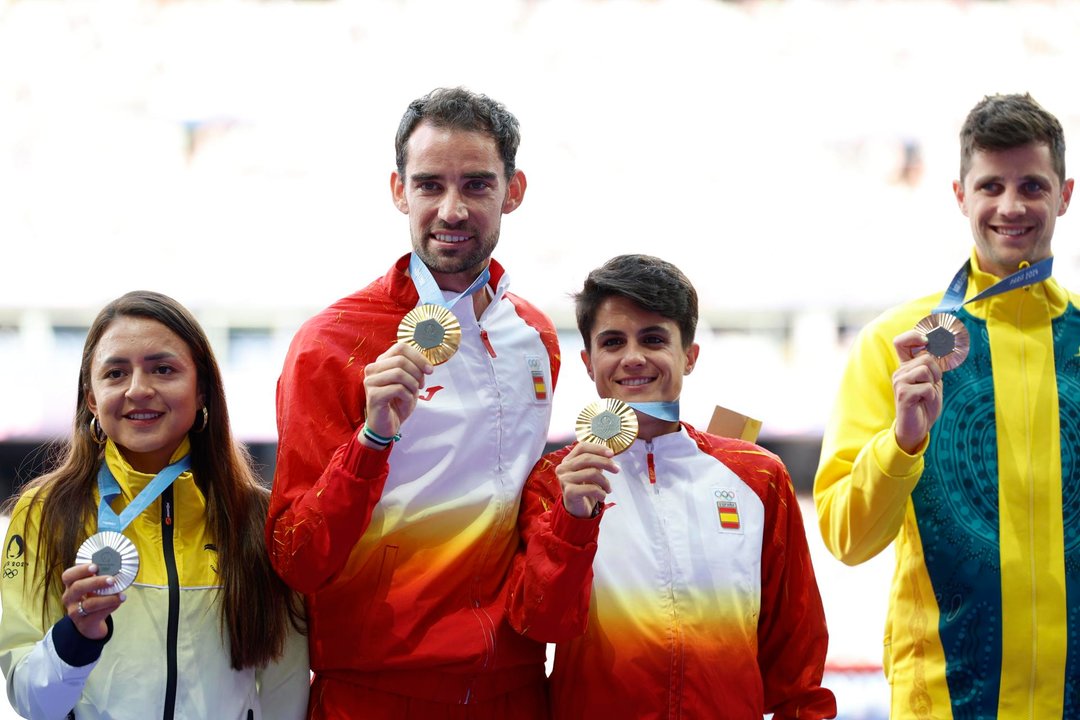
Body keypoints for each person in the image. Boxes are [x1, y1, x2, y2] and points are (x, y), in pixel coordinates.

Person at [266, 87, 560, 719]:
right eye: (429, 185)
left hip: (513, 687)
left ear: (514, 190)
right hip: (375, 692)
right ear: (399, 191)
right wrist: (370, 442)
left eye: (477, 185)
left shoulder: (536, 338)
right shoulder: (330, 344)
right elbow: (296, 558)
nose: (451, 209)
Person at [814, 92, 1079, 719]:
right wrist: (902, 443)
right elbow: (848, 539)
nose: (1011, 206)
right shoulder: (896, 343)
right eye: (991, 186)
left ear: (1065, 194)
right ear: (961, 195)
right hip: (946, 704)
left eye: (1032, 186)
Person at [508, 254, 837, 719]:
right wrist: (572, 521)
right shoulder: (553, 482)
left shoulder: (758, 476)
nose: (633, 357)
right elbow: (540, 624)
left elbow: (797, 657)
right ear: (588, 361)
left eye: (654, 339)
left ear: (690, 355)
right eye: (613, 341)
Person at [0, 290, 309, 719]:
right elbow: (34, 704)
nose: (138, 390)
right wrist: (78, 635)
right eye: (115, 373)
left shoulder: (259, 520)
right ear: (91, 397)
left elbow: (284, 691)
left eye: (163, 369)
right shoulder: (43, 512)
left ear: (202, 391)